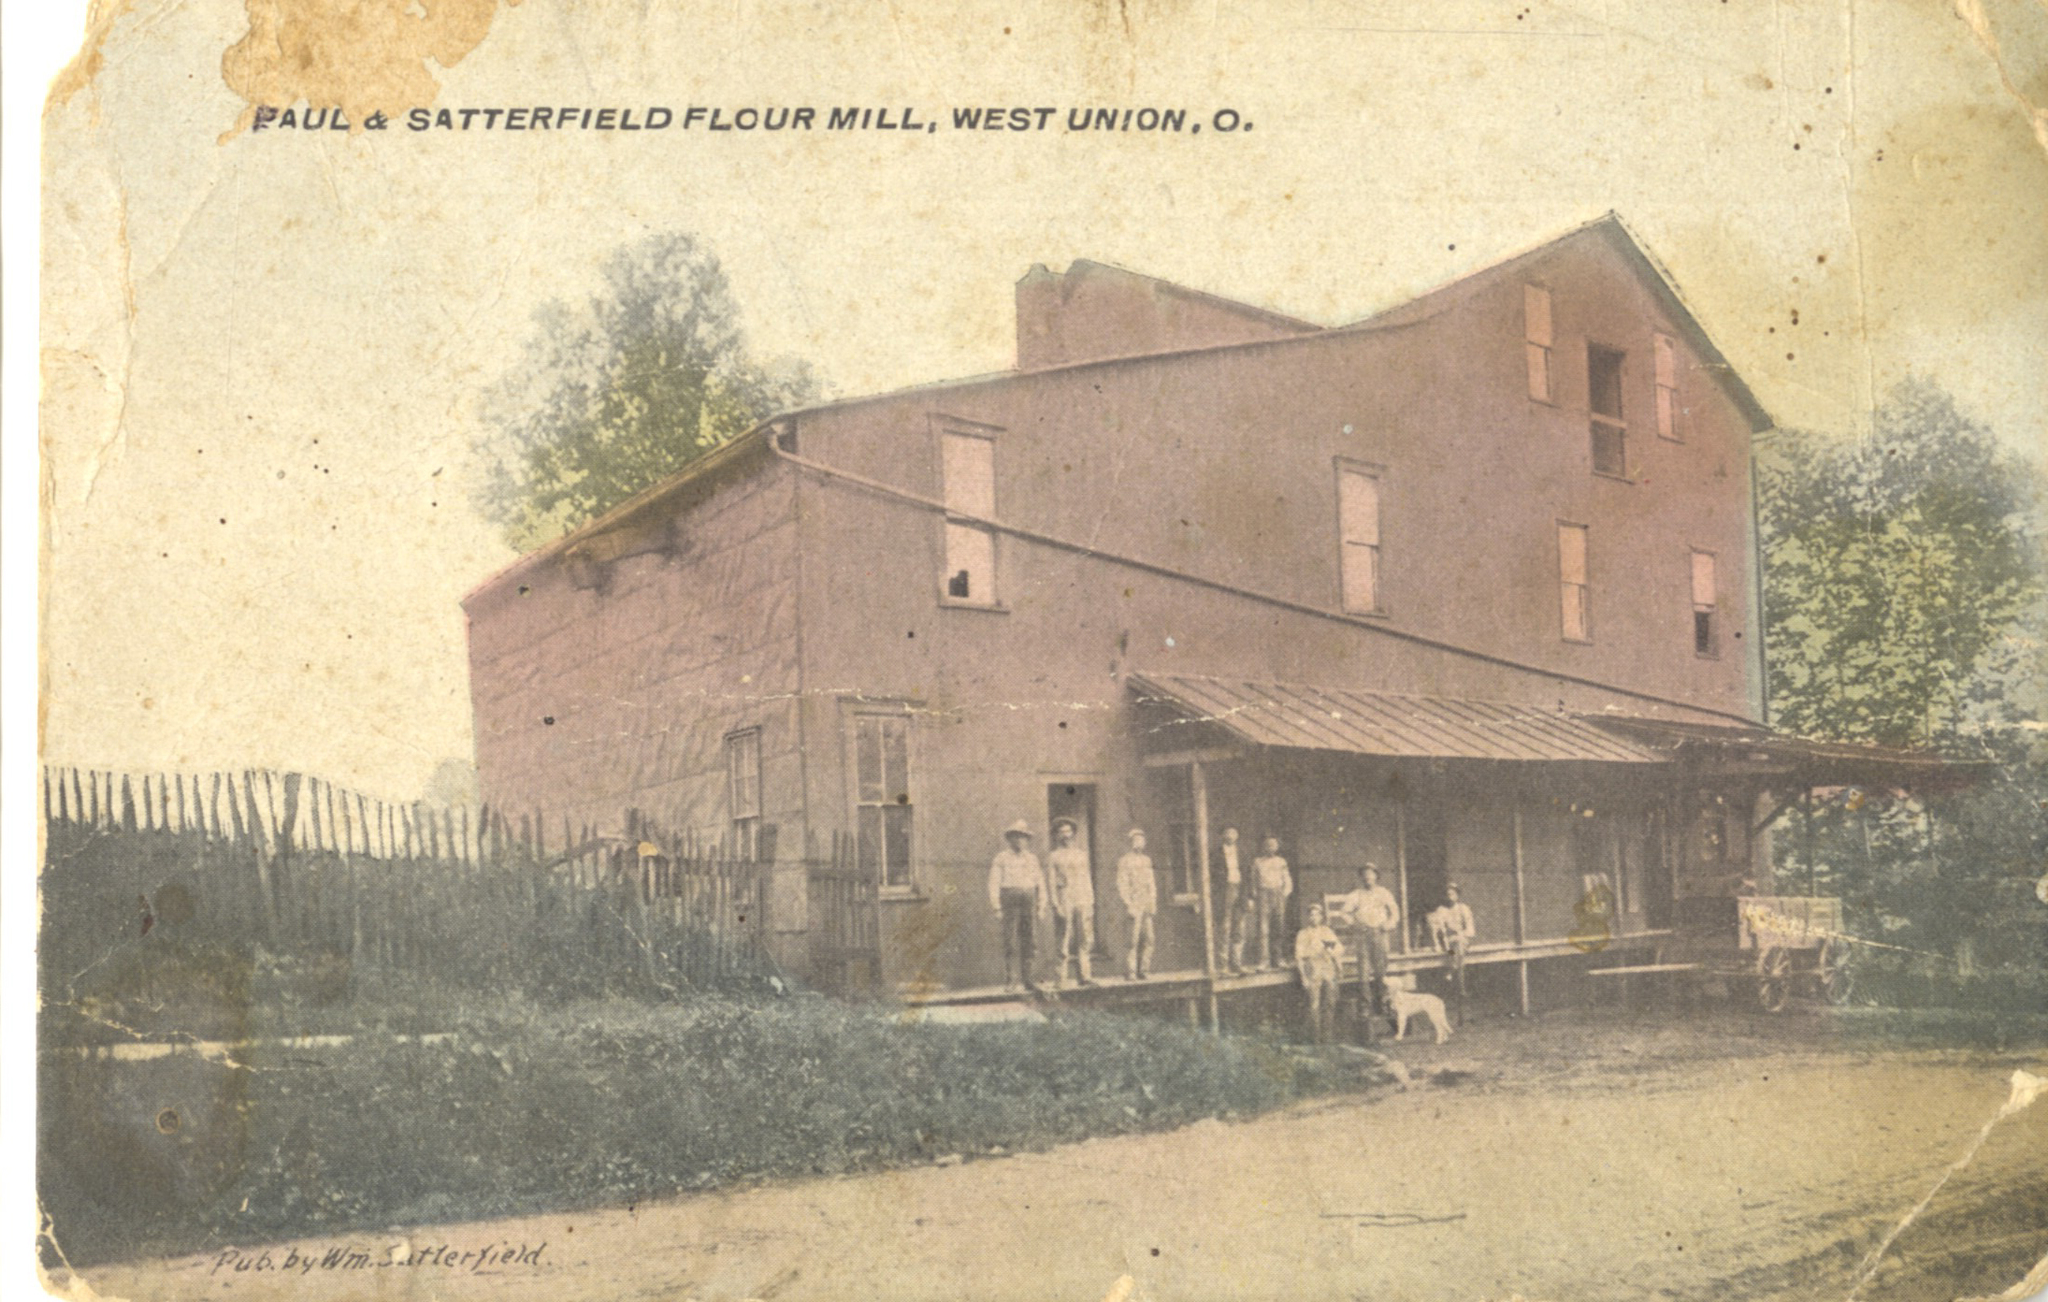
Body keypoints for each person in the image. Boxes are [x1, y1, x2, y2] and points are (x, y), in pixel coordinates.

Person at [986, 820, 1048, 991]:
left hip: (1029, 900)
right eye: (1016, 837)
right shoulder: (1001, 858)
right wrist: (996, 907)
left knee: (1030, 940)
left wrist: (1042, 905)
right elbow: (994, 882)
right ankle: (1011, 980)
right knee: (1010, 940)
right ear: (1010, 839)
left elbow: (1040, 883)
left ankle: (1028, 979)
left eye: (1023, 837)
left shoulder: (1032, 859)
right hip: (1009, 899)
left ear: (1027, 840)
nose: (1020, 840)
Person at [1336, 864, 1400, 1019]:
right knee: (1363, 972)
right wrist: (1354, 923)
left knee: (1380, 971)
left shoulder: (1384, 893)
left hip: (1379, 933)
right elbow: (1344, 912)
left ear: (1376, 876)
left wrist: (1388, 924)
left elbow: (1395, 912)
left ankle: (1382, 1004)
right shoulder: (1356, 894)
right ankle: (1365, 1006)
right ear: (1361, 878)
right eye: (1365, 875)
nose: (1368, 877)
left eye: (1371, 874)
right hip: (1363, 935)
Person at [1046, 818, 1096, 986]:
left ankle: (1085, 976)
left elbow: (1087, 878)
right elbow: (1051, 882)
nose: (1066, 835)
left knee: (1085, 939)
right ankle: (1060, 979)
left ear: (1073, 833)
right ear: (1057, 835)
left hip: (1082, 897)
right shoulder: (1053, 856)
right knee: (1063, 938)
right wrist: (1055, 904)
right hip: (1065, 897)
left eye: (1068, 831)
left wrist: (1090, 901)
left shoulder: (1081, 855)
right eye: (1062, 832)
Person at [1294, 903, 1345, 1044]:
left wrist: (1333, 954)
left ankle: (1327, 1037)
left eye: (1317, 914)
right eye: (1311, 914)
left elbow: (1339, 948)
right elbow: (1299, 957)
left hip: (1327, 966)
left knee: (1330, 1002)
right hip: (1313, 966)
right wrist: (1303, 976)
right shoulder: (1303, 934)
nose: (1314, 917)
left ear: (1321, 917)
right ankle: (1315, 1039)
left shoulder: (1327, 931)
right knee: (1314, 1004)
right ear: (1308, 917)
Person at [1115, 828, 1157, 980]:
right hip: (1133, 903)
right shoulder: (1125, 860)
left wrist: (1153, 902)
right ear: (1130, 843)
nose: (1139, 843)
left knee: (1149, 938)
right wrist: (1128, 904)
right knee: (1132, 939)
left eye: (1141, 840)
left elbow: (1151, 883)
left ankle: (1144, 970)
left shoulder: (1146, 860)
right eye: (1136, 840)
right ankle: (1131, 971)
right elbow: (1122, 884)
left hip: (1146, 902)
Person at [1430, 882, 1476, 1016]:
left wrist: (1460, 934)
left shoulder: (1463, 909)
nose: (1449, 897)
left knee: (1459, 946)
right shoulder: (1441, 910)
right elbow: (1440, 931)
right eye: (1447, 894)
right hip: (1449, 947)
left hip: (1463, 941)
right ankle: (1460, 988)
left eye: (1452, 894)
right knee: (1455, 953)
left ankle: (1450, 972)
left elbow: (1471, 930)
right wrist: (1441, 942)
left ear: (1457, 896)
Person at [1251, 836, 1293, 970]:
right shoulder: (1257, 862)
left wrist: (1284, 894)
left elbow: (1287, 879)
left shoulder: (1281, 861)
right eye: (1268, 845)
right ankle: (1263, 961)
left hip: (1278, 894)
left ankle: (1278, 959)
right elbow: (1253, 880)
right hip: (1263, 894)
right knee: (1263, 928)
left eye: (1273, 845)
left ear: (1277, 847)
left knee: (1278, 927)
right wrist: (1255, 895)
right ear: (1263, 847)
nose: (1271, 847)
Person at [1213, 826, 1247, 974]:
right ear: (1222, 836)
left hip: (1239, 891)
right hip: (1224, 892)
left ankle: (1237, 963)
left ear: (1237, 836)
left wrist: (1248, 897)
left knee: (1239, 929)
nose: (1230, 836)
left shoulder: (1242, 853)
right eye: (1227, 833)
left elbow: (1247, 876)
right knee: (1224, 929)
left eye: (1233, 833)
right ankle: (1223, 965)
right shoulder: (1216, 854)